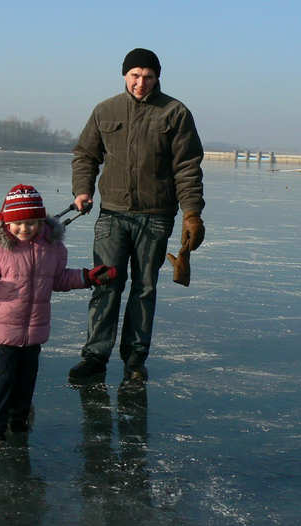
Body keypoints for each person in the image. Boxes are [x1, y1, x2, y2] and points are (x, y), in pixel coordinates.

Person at [0, 184, 117, 444]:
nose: (24, 228)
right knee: (0, 382)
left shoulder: (52, 248)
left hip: (33, 332)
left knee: (25, 382)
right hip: (2, 332)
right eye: (18, 223)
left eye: (31, 222)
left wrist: (88, 277)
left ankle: (19, 420)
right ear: (7, 223)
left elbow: (59, 279)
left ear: (41, 221)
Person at [68, 47, 206, 384]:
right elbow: (86, 154)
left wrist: (192, 214)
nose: (140, 83)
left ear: (157, 77)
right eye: (134, 76)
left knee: (144, 288)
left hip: (156, 217)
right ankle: (95, 358)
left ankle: (134, 361)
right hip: (112, 214)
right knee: (106, 284)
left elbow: (187, 168)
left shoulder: (175, 113)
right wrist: (82, 189)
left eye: (147, 77)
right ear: (124, 75)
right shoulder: (105, 110)